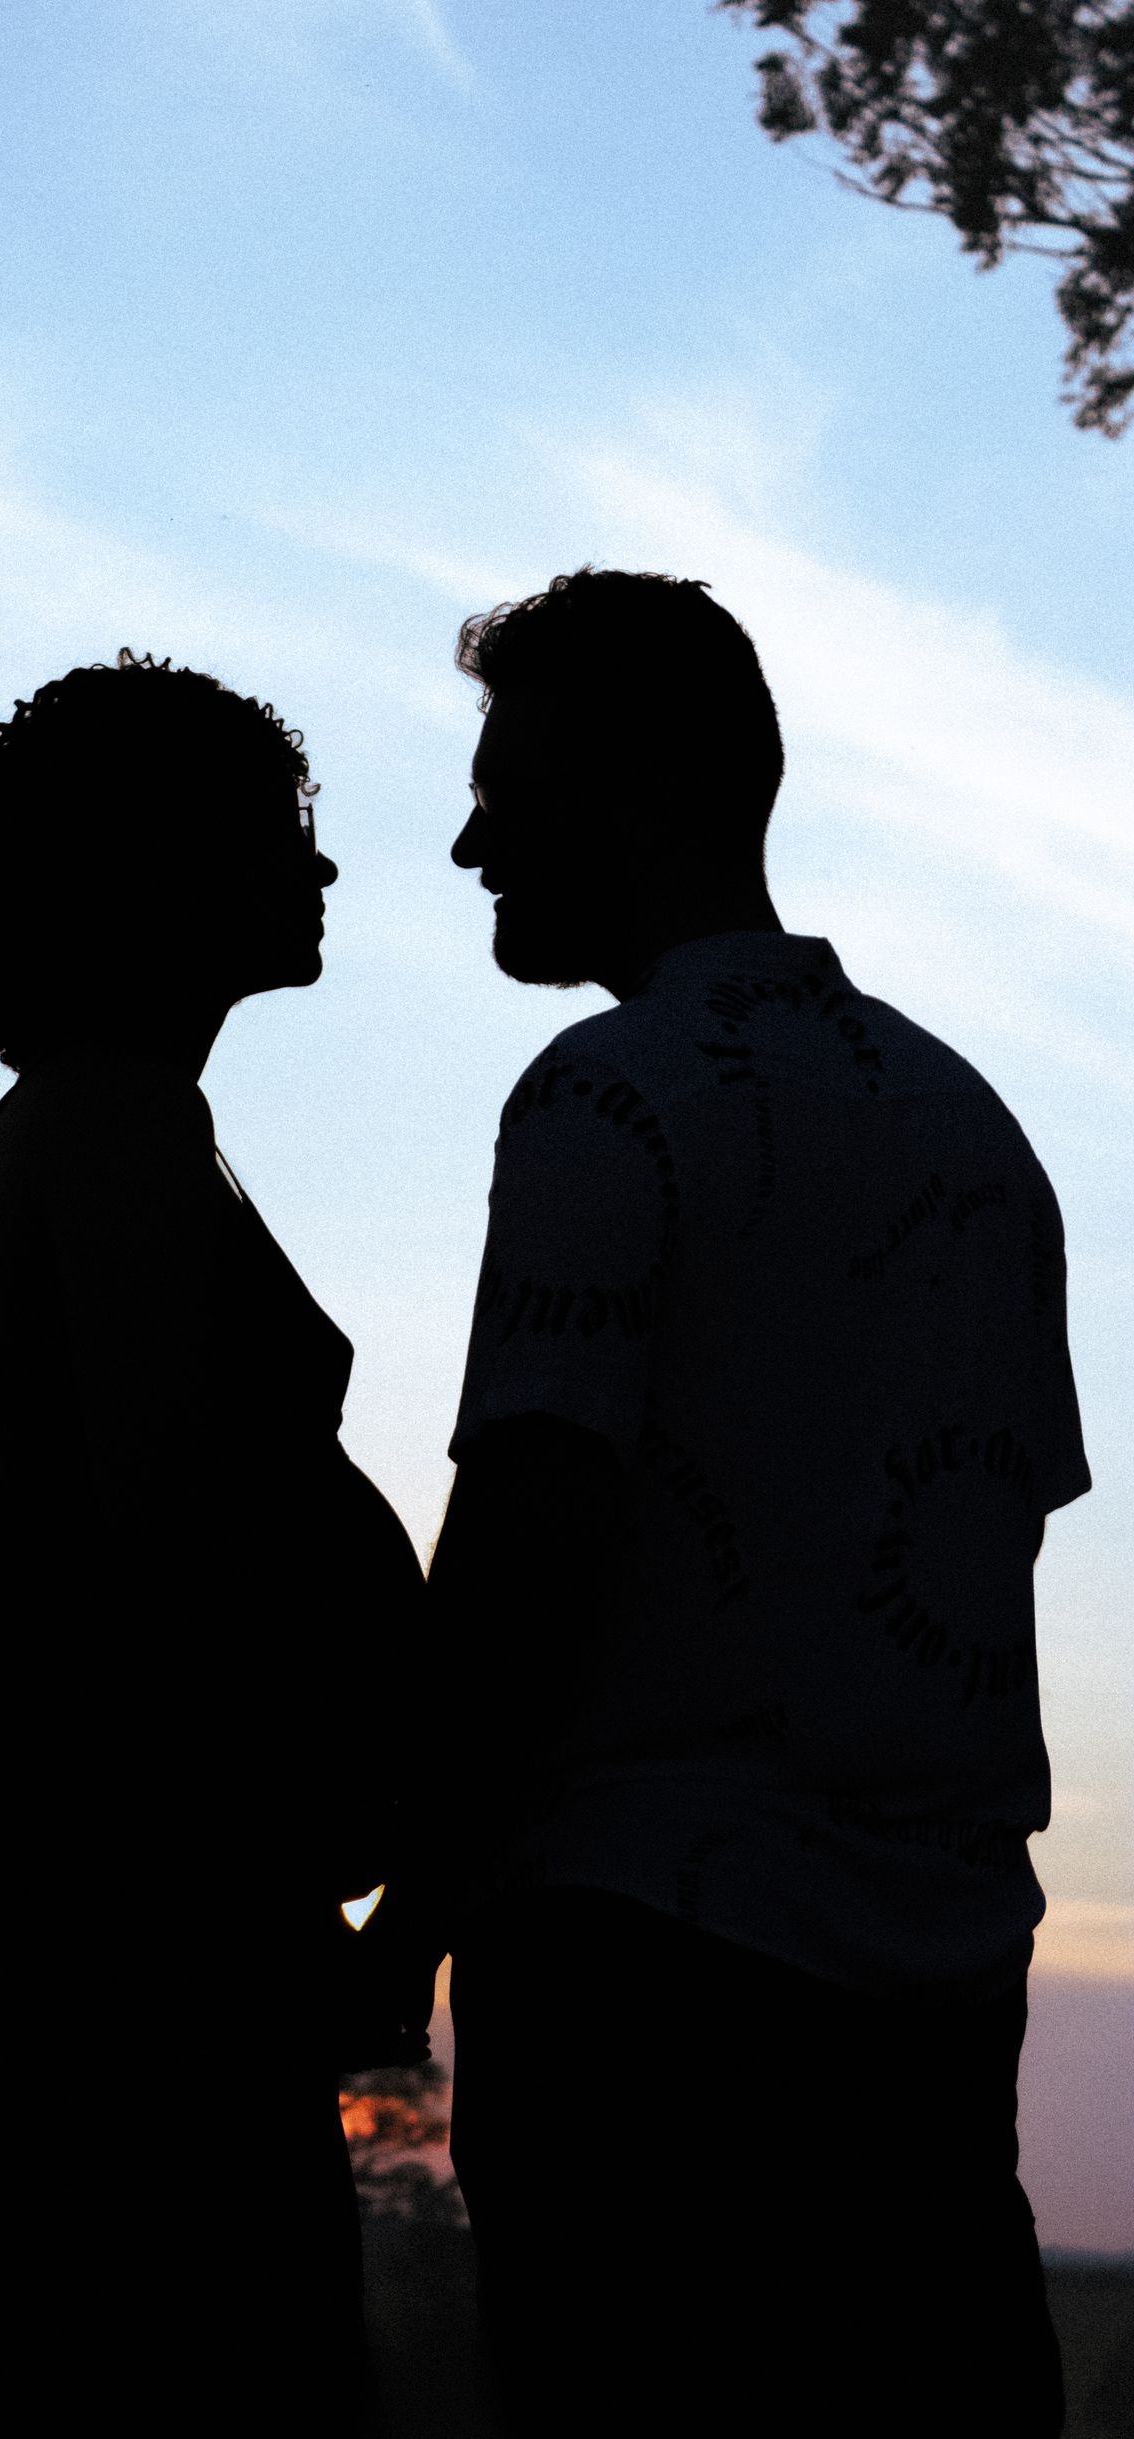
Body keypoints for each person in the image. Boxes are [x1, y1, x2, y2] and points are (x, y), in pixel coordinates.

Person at [0, 650, 431, 2438]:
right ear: (168, 867)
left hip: (98, 1861)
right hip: (95, 1902)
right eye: (287, 835)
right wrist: (301, 1916)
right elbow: (171, 1570)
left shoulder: (127, 1128)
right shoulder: (107, 1130)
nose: (327, 874)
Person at [429, 569, 1088, 2438]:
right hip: (942, 2026)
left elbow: (535, 1531)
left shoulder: (602, 1101)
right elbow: (990, 1542)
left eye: (510, 785)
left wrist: (403, 1916)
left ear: (640, 795)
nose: (471, 838)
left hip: (642, 2005)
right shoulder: (978, 1131)